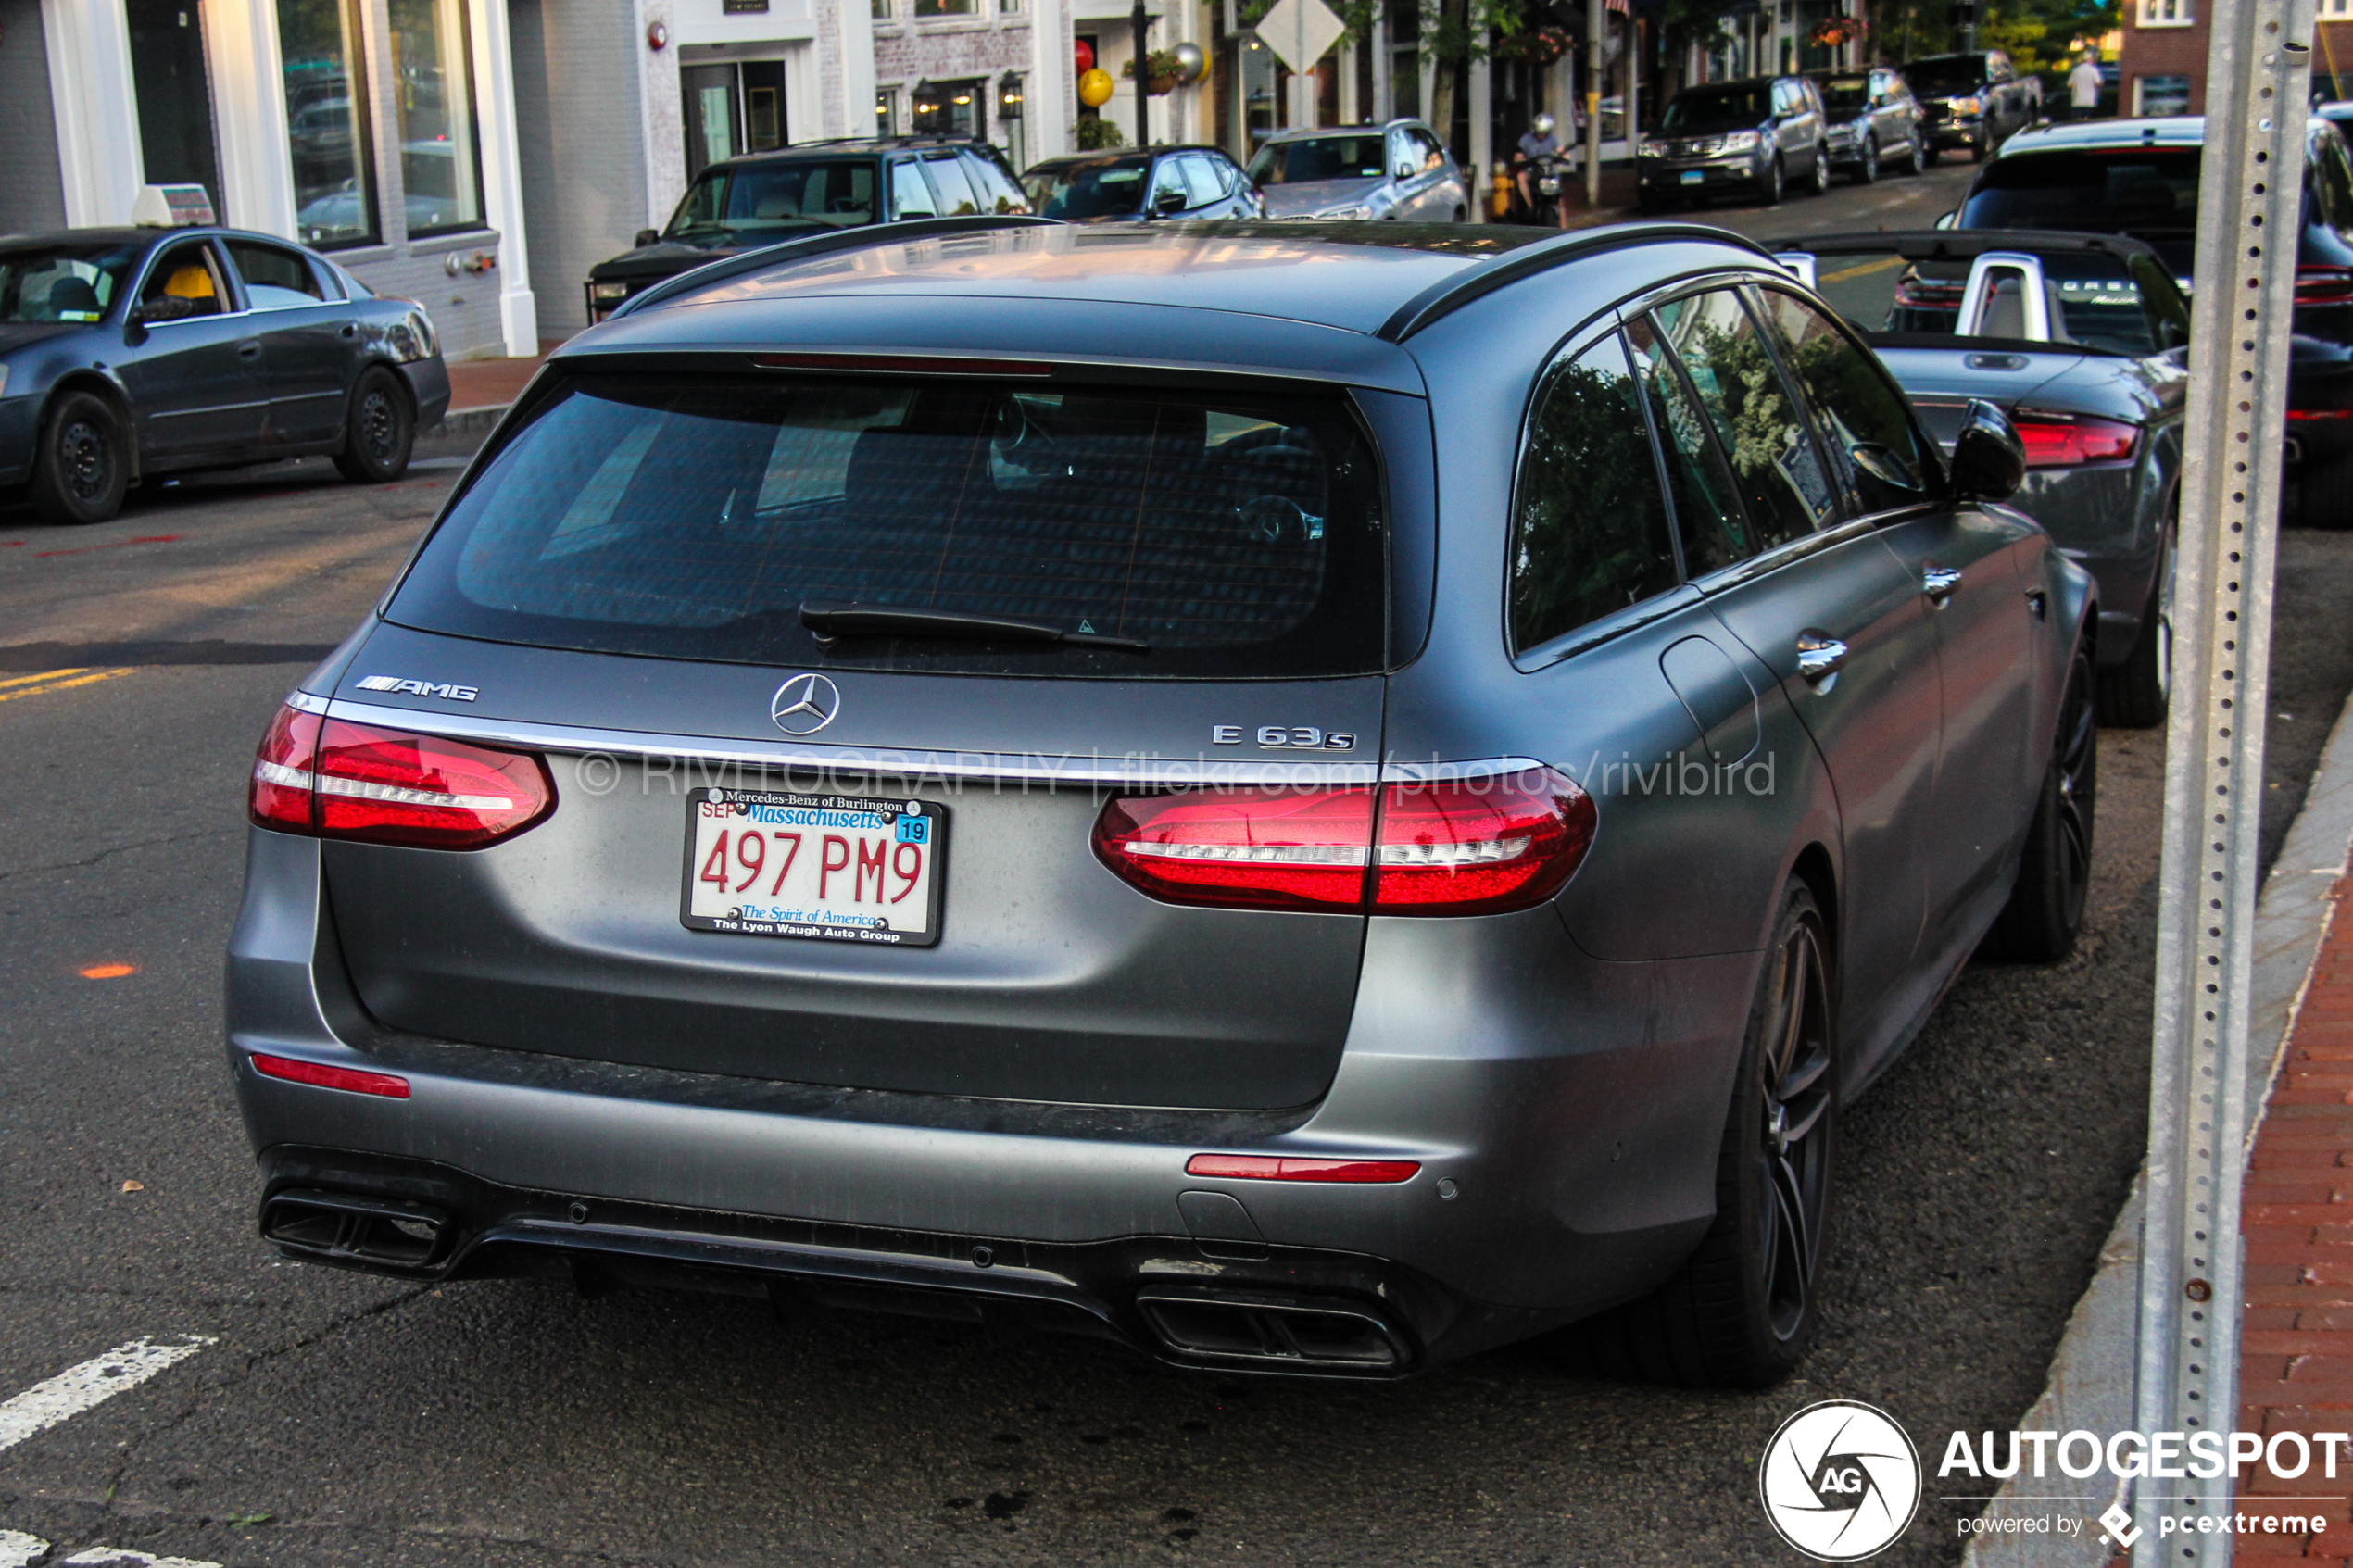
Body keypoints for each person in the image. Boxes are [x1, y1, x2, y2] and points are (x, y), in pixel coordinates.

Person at [1514, 113, 1574, 229]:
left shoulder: (1552, 139)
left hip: (1548, 171)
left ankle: (1564, 229)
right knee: (1521, 177)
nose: (1542, 135)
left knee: (1560, 201)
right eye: (1539, 132)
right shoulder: (1526, 138)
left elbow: (1560, 150)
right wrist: (1520, 158)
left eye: (1544, 133)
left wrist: (1565, 156)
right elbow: (1519, 154)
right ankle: (1530, 205)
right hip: (1532, 170)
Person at [2068, 53, 2105, 120]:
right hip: (2089, 100)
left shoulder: (2076, 70)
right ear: (2090, 60)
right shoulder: (2094, 70)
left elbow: (2069, 85)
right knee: (2087, 120)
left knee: (2077, 119)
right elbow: (2099, 83)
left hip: (2077, 100)